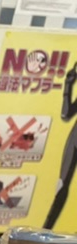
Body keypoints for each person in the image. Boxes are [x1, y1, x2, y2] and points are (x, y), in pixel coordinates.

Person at [43, 62, 77, 230]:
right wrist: (68, 84)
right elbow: (66, 114)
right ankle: (45, 230)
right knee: (62, 185)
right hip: (75, 140)